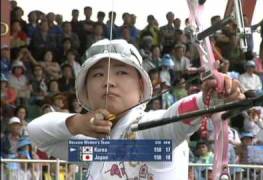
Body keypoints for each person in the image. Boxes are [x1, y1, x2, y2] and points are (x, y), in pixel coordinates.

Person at [27, 39, 244, 179]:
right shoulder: (94, 147)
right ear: (85, 90)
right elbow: (36, 132)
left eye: (121, 72)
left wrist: (204, 100)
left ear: (141, 87)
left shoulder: (147, 134)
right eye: (97, 74)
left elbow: (173, 120)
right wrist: (78, 123)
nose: (108, 82)